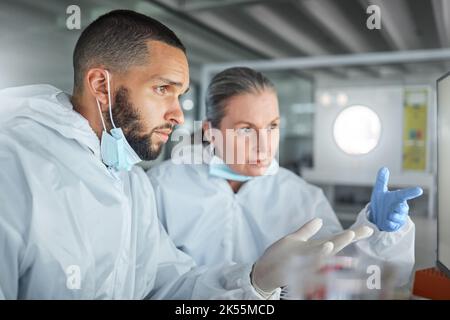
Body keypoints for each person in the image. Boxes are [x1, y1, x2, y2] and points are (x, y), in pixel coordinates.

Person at [0, 10, 368, 300]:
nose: (178, 114)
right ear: (101, 85)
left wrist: (255, 281)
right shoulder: (14, 165)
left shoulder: (129, 183)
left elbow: (170, 287)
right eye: (163, 89)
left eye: (180, 94)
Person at [147, 67, 423, 287]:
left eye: (272, 126)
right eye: (245, 129)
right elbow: (153, 282)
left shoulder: (302, 196)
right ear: (210, 131)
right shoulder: (163, 187)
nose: (264, 145)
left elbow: (347, 274)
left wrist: (381, 233)